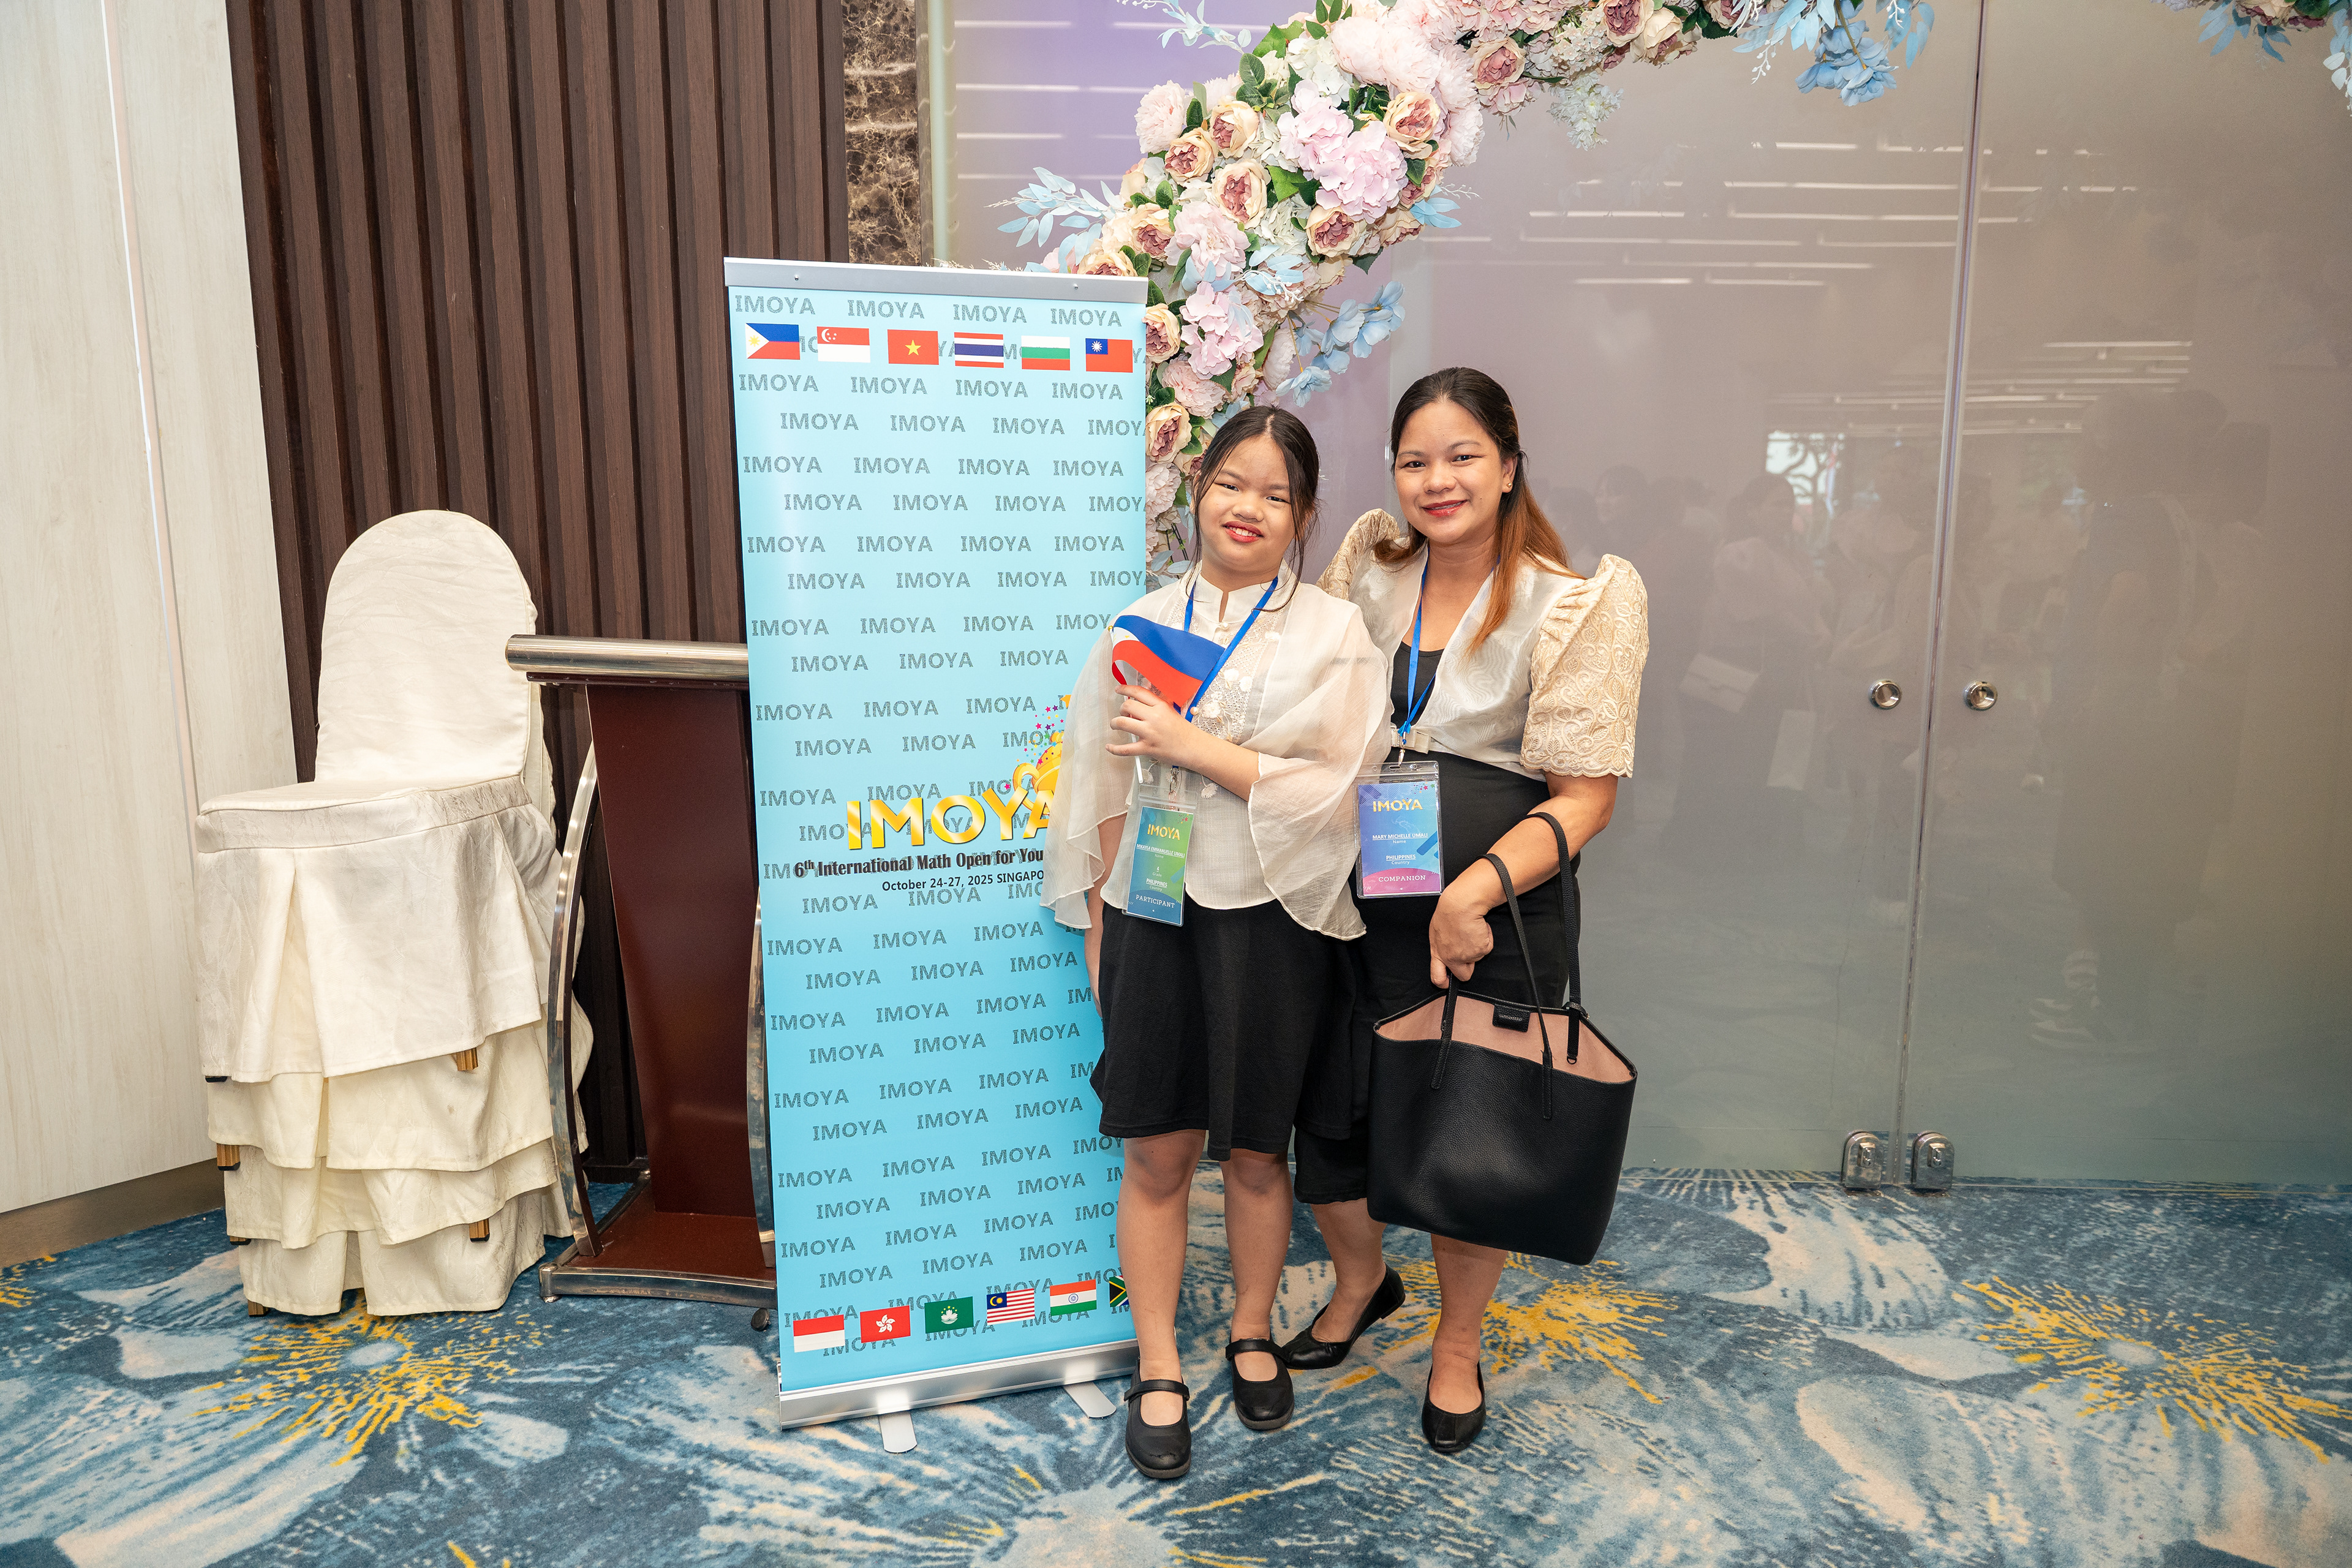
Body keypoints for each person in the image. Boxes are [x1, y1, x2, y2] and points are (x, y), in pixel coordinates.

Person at [1289, 368, 1649, 1454]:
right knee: (1330, 1114)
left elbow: (1585, 799)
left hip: (1493, 913)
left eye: (1461, 457)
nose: (1436, 480)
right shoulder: (1367, 574)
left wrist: (1474, 891)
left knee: (1468, 1128)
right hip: (1353, 899)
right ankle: (1363, 1282)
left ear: (1507, 465)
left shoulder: (1569, 601)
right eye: (1414, 460)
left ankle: (1456, 1345)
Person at [1042, 405, 1388, 1482]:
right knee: (1156, 1148)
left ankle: (1248, 1329)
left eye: (1277, 495)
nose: (1249, 508)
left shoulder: (1334, 632)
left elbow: (1344, 791)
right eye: (1232, 483)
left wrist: (1197, 748)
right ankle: (1158, 1362)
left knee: (1255, 1148)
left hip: (1275, 916)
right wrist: (1104, 927)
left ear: (1305, 517)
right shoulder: (1139, 622)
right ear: (1198, 491)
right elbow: (1100, 782)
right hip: (1154, 912)